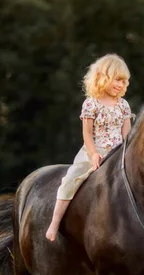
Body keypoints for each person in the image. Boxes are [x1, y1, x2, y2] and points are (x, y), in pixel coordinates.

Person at [46, 54, 133, 242]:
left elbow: (127, 135)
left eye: (124, 81)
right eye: (117, 79)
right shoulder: (91, 103)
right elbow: (87, 133)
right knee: (71, 179)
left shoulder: (123, 105)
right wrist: (93, 154)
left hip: (118, 153)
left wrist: (128, 155)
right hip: (94, 150)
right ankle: (54, 222)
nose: (120, 84)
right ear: (103, 76)